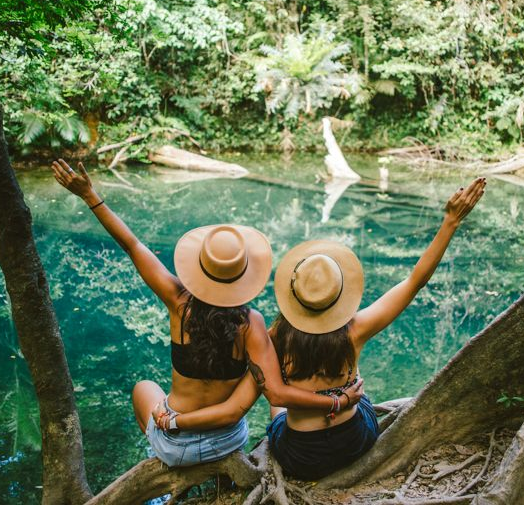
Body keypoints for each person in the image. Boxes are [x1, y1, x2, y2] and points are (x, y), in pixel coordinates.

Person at [157, 178, 486, 479]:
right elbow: (415, 281)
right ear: (339, 296)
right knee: (359, 391)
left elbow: (253, 398)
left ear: (293, 296)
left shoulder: (275, 337)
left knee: (278, 404)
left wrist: (181, 418)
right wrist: (451, 221)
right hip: (355, 442)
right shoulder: (356, 330)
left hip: (300, 456)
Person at [51, 159, 364, 467]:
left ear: (199, 270)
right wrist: (338, 400)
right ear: (244, 277)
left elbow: (132, 245)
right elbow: (255, 402)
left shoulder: (177, 301)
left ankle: (163, 460)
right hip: (227, 443)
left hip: (174, 443)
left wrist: (91, 197)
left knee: (143, 388)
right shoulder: (251, 325)